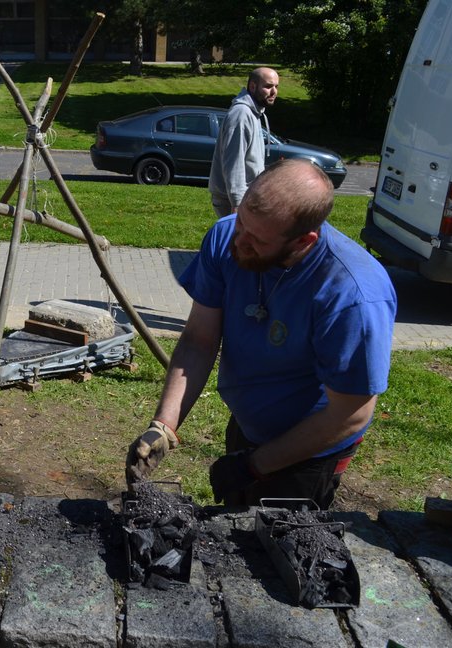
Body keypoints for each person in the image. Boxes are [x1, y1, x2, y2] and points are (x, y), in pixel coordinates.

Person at [126, 159, 396, 510]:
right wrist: (165, 425)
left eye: (257, 240)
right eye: (241, 224)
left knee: (270, 551)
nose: (239, 242)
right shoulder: (227, 237)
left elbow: (351, 414)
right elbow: (199, 340)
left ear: (304, 240)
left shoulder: (352, 295)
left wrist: (257, 465)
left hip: (310, 449)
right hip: (247, 427)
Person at [208, 67, 280, 218]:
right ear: (253, 86)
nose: (274, 92)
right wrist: (237, 203)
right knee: (237, 241)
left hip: (248, 198)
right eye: (268, 86)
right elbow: (234, 162)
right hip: (234, 201)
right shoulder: (241, 114)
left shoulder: (254, 113)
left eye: (276, 86)